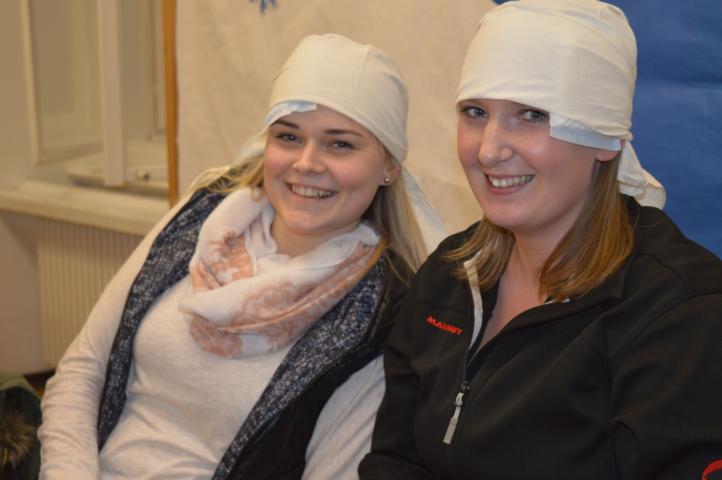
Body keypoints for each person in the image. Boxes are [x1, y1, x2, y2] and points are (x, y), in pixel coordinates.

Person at [38, 33, 444, 479]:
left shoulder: (381, 316)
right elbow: (81, 372)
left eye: (340, 144)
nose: (307, 163)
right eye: (289, 136)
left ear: (389, 166)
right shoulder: (202, 216)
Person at [359, 1, 722, 479]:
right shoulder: (449, 275)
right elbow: (395, 459)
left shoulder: (680, 312)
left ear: (605, 139)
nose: (489, 150)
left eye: (531, 114)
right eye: (475, 112)